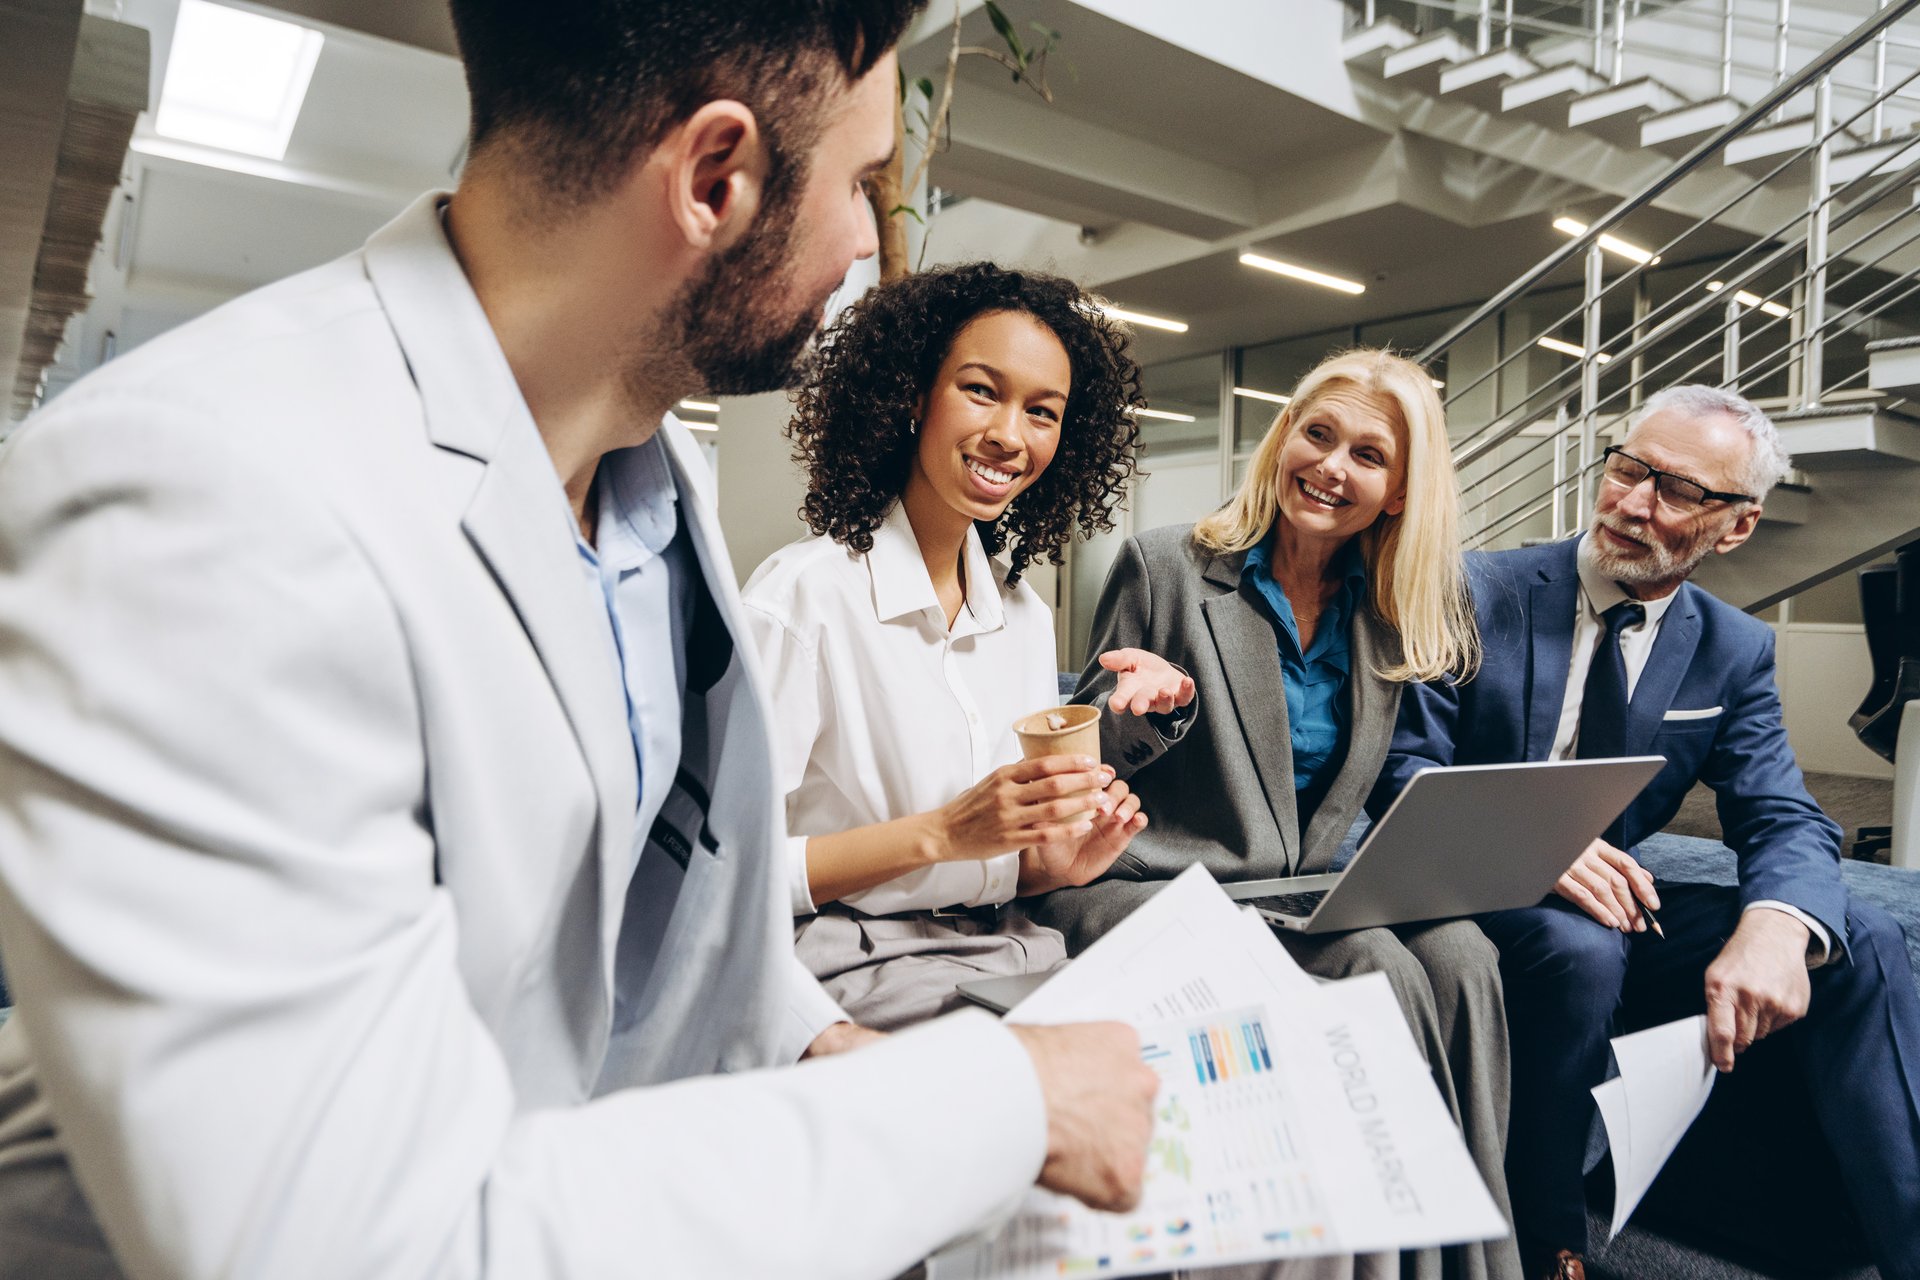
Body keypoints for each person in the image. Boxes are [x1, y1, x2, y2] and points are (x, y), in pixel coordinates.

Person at [0, 5, 1162, 1277]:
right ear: (716, 179)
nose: (869, 246)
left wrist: (827, 1046)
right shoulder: (202, 495)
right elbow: (360, 1242)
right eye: (864, 185)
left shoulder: (646, 478)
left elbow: (652, 907)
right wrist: (998, 1102)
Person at [1372, 384, 1920, 1280]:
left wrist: (1777, 925)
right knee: (1579, 948)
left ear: (1735, 526)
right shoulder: (1472, 588)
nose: (1631, 503)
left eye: (1676, 490)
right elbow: (1402, 770)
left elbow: (1780, 810)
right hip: (1473, 888)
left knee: (1859, 937)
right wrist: (1534, 842)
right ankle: (1547, 1251)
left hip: (1612, 906)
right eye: (1627, 468)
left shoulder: (1732, 646)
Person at [1032, 347, 1520, 1280]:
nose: (1333, 466)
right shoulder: (1167, 564)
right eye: (1318, 433)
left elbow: (1357, 789)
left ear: (1401, 490)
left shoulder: (1387, 608)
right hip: (1152, 882)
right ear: (1283, 438)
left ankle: (1477, 1255)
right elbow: (1082, 756)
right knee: (1376, 961)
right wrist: (1144, 711)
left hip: (1299, 886)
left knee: (1465, 954)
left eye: (1368, 455)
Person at [742, 262, 1193, 1031]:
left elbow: (1005, 862)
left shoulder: (1018, 613)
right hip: (850, 961)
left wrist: (1051, 864)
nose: (1010, 436)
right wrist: (943, 833)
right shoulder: (801, 599)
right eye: (982, 390)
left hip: (1006, 948)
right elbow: (730, 876)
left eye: (1043, 412)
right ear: (915, 394)